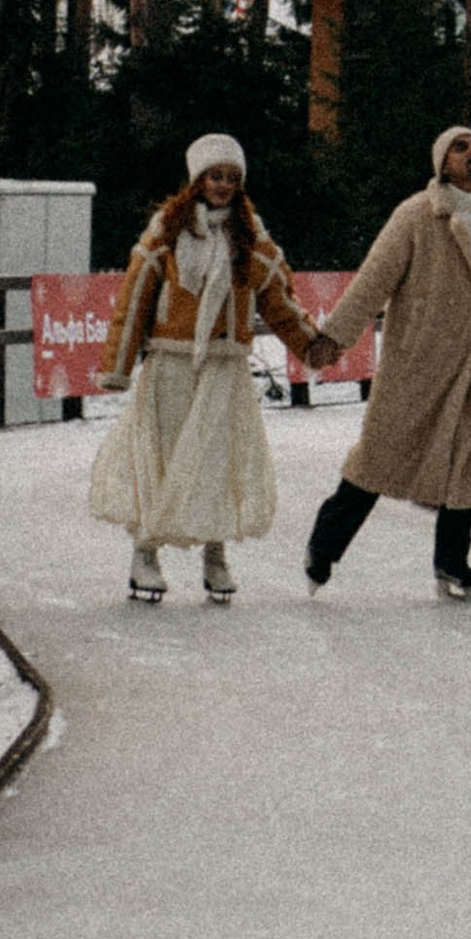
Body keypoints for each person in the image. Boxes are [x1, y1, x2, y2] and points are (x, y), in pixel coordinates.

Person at [301, 122, 471, 600]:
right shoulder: (416, 216)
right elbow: (374, 280)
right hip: (416, 362)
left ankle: (453, 562)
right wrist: (334, 337)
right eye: (461, 147)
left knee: (467, 466)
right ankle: (325, 544)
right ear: (443, 163)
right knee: (378, 457)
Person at [91, 132, 319, 605]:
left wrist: (314, 346)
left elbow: (280, 302)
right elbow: (134, 300)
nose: (223, 185)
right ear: (198, 180)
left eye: (232, 178)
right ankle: (145, 552)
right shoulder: (166, 235)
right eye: (215, 176)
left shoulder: (252, 240)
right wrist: (118, 365)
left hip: (223, 364)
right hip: (172, 361)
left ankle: (214, 554)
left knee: (216, 459)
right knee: (164, 457)